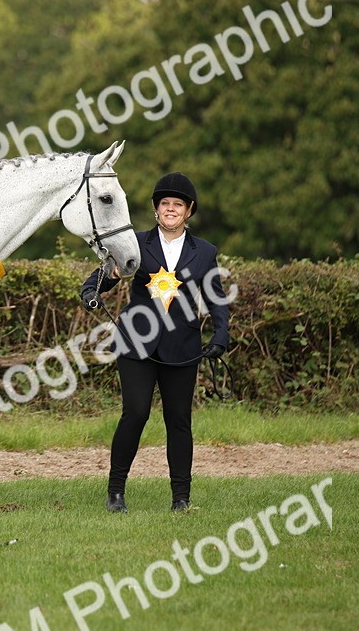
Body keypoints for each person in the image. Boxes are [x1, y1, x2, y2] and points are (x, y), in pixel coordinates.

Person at [80, 172, 229, 513]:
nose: (171, 209)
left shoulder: (205, 252)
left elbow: (216, 299)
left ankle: (181, 498)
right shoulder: (135, 242)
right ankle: (116, 491)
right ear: (155, 208)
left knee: (179, 421)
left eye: (178, 204)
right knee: (135, 414)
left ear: (188, 210)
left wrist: (221, 335)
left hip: (182, 347)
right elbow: (107, 273)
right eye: (165, 203)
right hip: (136, 345)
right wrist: (90, 290)